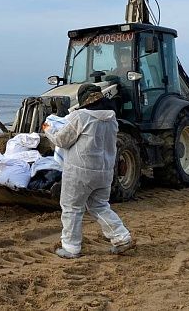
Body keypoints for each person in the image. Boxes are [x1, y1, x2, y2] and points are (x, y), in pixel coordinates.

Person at [43, 83, 134, 259]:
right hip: (105, 171)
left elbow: (62, 140)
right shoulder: (111, 118)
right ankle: (121, 237)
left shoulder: (80, 116)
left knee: (72, 208)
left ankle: (71, 247)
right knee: (99, 206)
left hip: (80, 172)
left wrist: (48, 130)